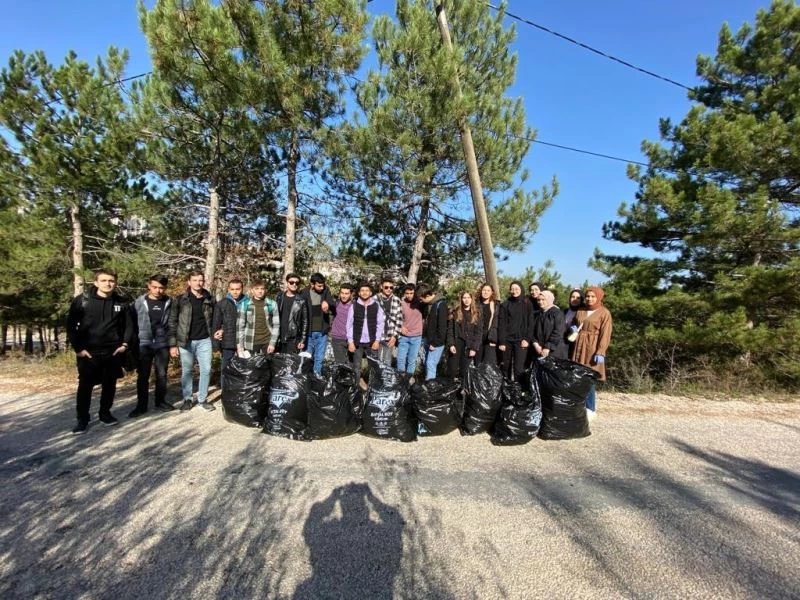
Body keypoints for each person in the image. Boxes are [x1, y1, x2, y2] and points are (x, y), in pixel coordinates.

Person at [67, 268, 135, 433]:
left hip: (113, 351)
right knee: (85, 386)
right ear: (96, 282)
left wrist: (124, 345)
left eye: (111, 281)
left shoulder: (121, 302)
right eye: (104, 280)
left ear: (115, 283)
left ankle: (105, 413)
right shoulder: (82, 301)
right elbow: (70, 326)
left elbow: (129, 326)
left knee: (109, 385)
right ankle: (82, 419)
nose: (108, 284)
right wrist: (78, 349)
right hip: (88, 352)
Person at [169, 271, 216, 412]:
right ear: (189, 282)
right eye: (194, 280)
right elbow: (172, 322)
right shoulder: (180, 300)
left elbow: (216, 318)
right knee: (187, 371)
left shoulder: (210, 299)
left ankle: (202, 400)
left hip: (205, 340)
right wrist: (172, 344)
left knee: (206, 370)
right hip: (185, 341)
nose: (198, 283)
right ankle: (187, 399)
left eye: (200, 280)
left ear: (204, 281)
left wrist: (219, 332)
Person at [129, 274, 174, 418]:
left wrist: (173, 343)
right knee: (143, 376)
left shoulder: (170, 302)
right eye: (154, 287)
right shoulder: (139, 302)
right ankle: (141, 405)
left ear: (165, 288)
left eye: (161, 288)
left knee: (161, 374)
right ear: (149, 286)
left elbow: (173, 323)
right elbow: (131, 324)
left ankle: (160, 401)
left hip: (162, 344)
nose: (158, 290)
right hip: (144, 343)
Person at [570, 286, 613, 419]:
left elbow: (606, 334)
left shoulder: (604, 313)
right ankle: (579, 407)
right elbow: (576, 323)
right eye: (588, 296)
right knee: (578, 377)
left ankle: (590, 409)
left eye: (593, 296)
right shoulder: (581, 310)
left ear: (599, 297)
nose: (589, 299)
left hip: (592, 347)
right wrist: (574, 329)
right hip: (578, 346)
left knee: (589, 379)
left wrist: (601, 351)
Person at [212, 278, 248, 389]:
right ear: (228, 289)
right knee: (226, 369)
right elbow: (216, 324)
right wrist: (216, 346)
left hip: (245, 342)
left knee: (244, 369)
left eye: (238, 289)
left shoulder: (249, 302)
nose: (235, 292)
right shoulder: (222, 304)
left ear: (242, 289)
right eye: (232, 289)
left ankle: (241, 392)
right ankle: (226, 392)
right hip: (228, 342)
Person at [346, 282, 385, 377]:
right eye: (362, 291)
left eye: (367, 291)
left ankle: (371, 389)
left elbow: (380, 324)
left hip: (372, 343)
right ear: (359, 293)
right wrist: (350, 342)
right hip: (357, 342)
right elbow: (349, 325)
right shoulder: (354, 306)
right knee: (356, 367)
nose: (364, 293)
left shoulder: (376, 306)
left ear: (371, 293)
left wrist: (377, 340)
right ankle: (355, 389)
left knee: (373, 367)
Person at [497, 281, 533, 382]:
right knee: (505, 366)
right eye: (512, 289)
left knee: (519, 368)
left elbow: (531, 323)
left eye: (516, 289)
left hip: (521, 340)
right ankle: (507, 389)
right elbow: (502, 324)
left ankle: (519, 391)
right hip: (507, 340)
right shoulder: (506, 304)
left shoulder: (527, 303)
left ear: (521, 289)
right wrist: (502, 341)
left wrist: (527, 339)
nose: (514, 291)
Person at [300, 273, 336, 374]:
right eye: (319, 286)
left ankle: (316, 380)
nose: (321, 287)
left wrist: (327, 303)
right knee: (307, 358)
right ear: (312, 284)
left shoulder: (326, 290)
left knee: (319, 359)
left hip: (322, 332)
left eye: (323, 285)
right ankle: (305, 379)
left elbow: (333, 304)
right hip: (308, 332)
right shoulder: (304, 293)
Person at [446, 290, 482, 379]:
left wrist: (474, 348)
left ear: (472, 299)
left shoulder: (476, 313)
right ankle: (450, 390)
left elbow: (479, 332)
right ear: (461, 299)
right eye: (464, 298)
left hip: (469, 345)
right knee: (452, 369)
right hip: (457, 343)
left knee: (465, 371)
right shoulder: (455, 312)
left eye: (468, 298)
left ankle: (463, 391)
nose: (466, 300)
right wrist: (451, 344)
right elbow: (450, 329)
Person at [237, 279, 278, 356]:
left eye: (262, 289)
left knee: (267, 366)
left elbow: (276, 325)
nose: (260, 291)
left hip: (267, 342)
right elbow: (240, 327)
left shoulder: (272, 304)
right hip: (250, 342)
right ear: (252, 290)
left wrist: (272, 343)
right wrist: (240, 346)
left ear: (265, 290)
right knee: (250, 367)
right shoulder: (245, 304)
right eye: (257, 289)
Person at [416, 283, 448, 380]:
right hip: (428, 340)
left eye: (421, 298)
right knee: (427, 363)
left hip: (436, 343)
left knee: (431, 364)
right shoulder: (429, 304)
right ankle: (429, 383)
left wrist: (435, 343)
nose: (420, 301)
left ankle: (430, 389)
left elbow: (442, 327)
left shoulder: (440, 305)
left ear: (427, 295)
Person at [276, 273, 308, 354]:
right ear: (287, 283)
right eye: (291, 282)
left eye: (297, 283)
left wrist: (302, 340)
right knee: (278, 363)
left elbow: (305, 321)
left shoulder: (301, 301)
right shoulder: (279, 297)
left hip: (293, 338)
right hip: (279, 336)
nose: (294, 284)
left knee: (291, 363)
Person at [531, 290, 567, 360]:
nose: (540, 302)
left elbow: (558, 332)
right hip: (539, 349)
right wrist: (535, 344)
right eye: (538, 300)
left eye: (543, 299)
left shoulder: (557, 313)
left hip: (554, 350)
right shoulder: (537, 314)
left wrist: (548, 347)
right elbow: (532, 330)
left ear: (549, 299)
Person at [396, 283, 423, 377]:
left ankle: (408, 380)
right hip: (404, 336)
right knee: (400, 359)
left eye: (411, 293)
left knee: (411, 360)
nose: (409, 295)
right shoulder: (401, 303)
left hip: (416, 337)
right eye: (407, 293)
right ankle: (401, 379)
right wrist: (401, 327)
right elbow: (396, 317)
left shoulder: (420, 303)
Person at [376, 276, 403, 366]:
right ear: (381, 287)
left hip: (390, 336)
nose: (389, 289)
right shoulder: (374, 299)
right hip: (377, 336)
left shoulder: (396, 300)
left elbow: (399, 319)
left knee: (387, 362)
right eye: (386, 287)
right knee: (377, 360)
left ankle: (386, 380)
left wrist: (395, 336)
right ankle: (377, 380)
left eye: (391, 287)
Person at [330, 283, 355, 366]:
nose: (344, 296)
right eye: (342, 293)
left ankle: (351, 379)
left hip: (351, 340)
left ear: (351, 294)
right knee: (340, 365)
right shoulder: (335, 304)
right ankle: (339, 379)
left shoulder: (355, 306)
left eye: (346, 293)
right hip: (337, 338)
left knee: (351, 365)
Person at [476, 283, 499, 366]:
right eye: (484, 290)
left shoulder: (497, 305)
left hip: (490, 338)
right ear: (481, 291)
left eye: (488, 290)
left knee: (489, 363)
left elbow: (498, 323)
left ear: (492, 292)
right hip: (478, 338)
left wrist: (495, 339)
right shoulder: (476, 305)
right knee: (477, 362)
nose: (486, 292)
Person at [563, 288, 583, 353]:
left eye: (578, 298)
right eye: (573, 297)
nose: (575, 299)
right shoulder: (565, 311)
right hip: (564, 342)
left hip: (576, 344)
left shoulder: (583, 312)